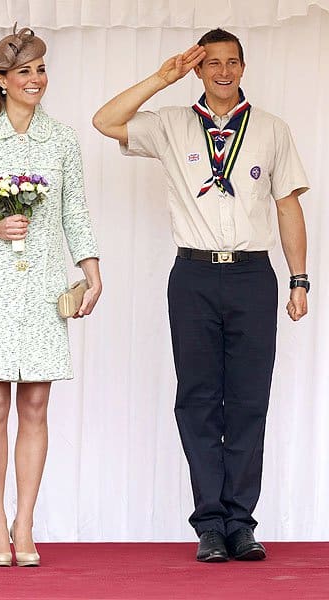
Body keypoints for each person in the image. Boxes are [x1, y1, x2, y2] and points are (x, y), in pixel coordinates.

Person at [93, 28, 309, 562]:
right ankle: (209, 524)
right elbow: (105, 121)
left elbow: (287, 206)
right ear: (197, 69)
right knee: (197, 400)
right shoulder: (170, 125)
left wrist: (299, 278)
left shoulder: (271, 130)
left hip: (252, 277)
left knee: (248, 401)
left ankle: (241, 523)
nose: (223, 71)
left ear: (244, 67)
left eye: (232, 62)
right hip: (192, 277)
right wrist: (160, 78)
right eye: (212, 63)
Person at [0, 24, 101, 567]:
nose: (35, 80)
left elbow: (75, 211)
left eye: (41, 69)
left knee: (36, 404)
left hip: (44, 288)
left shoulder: (63, 139)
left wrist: (91, 270)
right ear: (1, 80)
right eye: (24, 71)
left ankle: (24, 522)